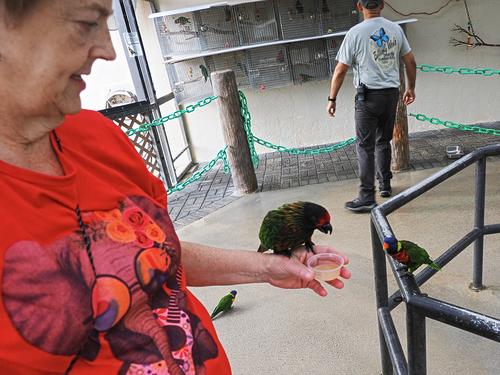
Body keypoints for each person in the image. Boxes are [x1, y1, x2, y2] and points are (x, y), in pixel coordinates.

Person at [0, 1, 351, 374]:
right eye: (86, 22)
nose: (109, 49)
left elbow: (155, 252)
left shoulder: (98, 136)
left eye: (108, 23)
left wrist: (267, 266)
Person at [326, 0, 417, 213]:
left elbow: (340, 70)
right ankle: (385, 185)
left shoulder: (355, 33)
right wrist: (411, 88)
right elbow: (410, 62)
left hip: (367, 98)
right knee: (383, 141)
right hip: (391, 94)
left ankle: (367, 196)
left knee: (365, 146)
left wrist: (332, 98)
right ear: (382, 5)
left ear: (360, 6)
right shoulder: (395, 29)